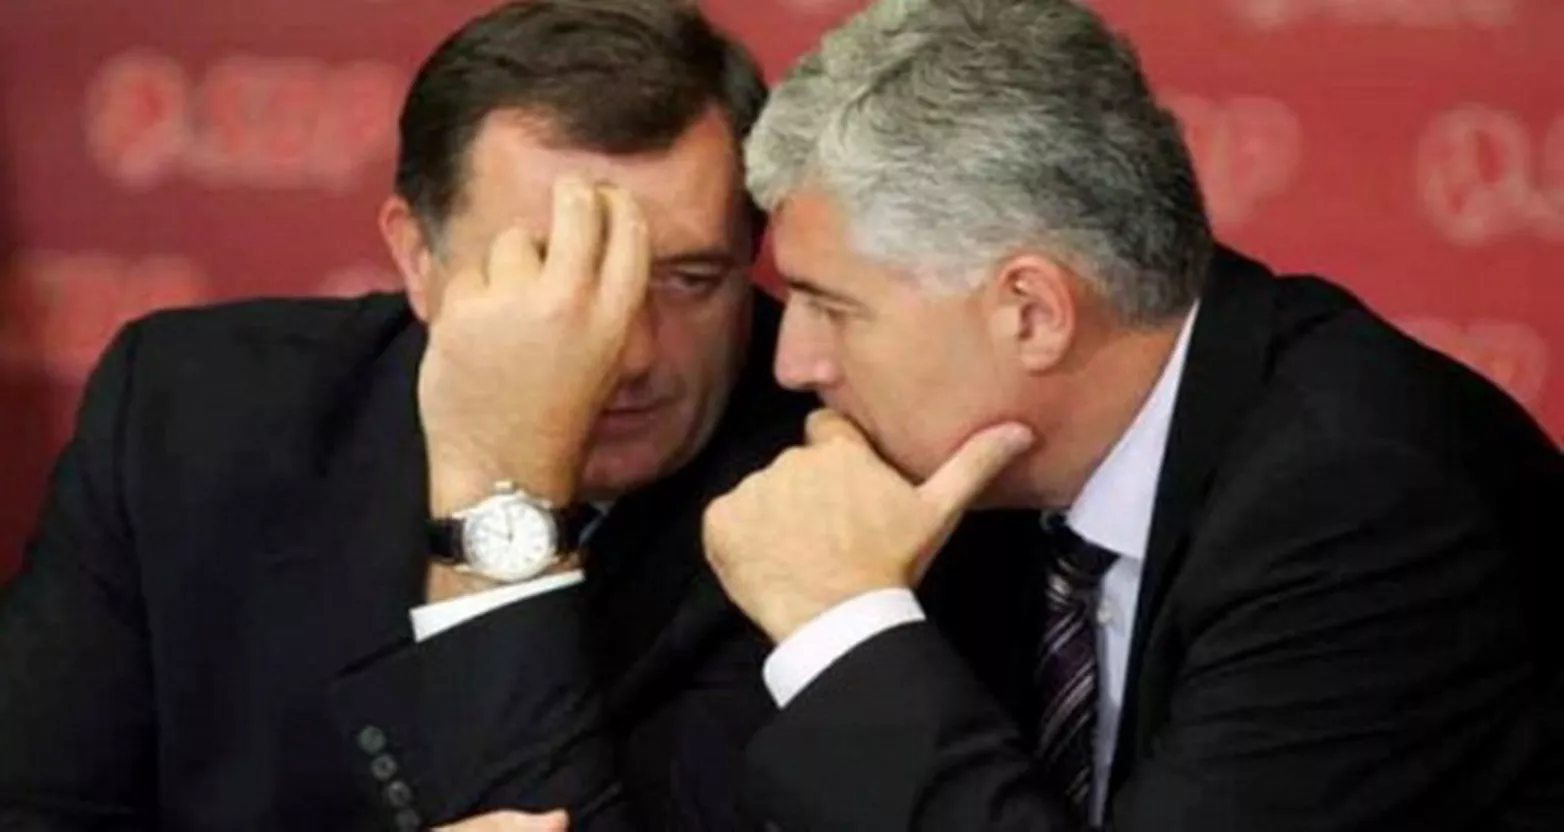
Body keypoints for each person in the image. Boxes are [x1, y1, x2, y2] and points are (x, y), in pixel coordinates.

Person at [702, 0, 1564, 830]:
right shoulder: (982, 469)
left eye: (832, 308)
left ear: (1032, 313)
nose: (794, 363)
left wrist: (843, 627)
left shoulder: (1356, 502)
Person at [0, 2, 811, 829]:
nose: (627, 352)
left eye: (688, 281)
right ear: (418, 257)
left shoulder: (822, 486)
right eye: (549, 273)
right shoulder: (191, 413)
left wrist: (499, 489)